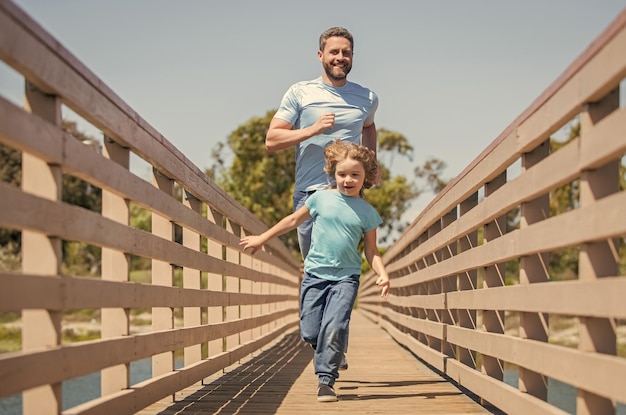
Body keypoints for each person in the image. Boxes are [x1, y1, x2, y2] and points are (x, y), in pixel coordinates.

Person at [240, 140, 390, 402]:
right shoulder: (320, 198)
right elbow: (292, 220)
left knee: (334, 325)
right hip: (314, 275)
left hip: (346, 277)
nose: (348, 180)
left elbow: (372, 251)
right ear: (333, 173)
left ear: (365, 177)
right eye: (342, 174)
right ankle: (334, 351)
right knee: (310, 331)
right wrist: (262, 238)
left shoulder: (367, 213)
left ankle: (326, 380)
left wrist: (382, 273)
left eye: (355, 174)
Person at [265, 26, 379, 371]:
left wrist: (372, 168)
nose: (340, 58)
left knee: (342, 271)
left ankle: (332, 348)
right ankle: (320, 338)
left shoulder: (367, 97)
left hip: (348, 197)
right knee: (315, 270)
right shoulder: (301, 92)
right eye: (334, 52)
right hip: (310, 194)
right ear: (321, 56)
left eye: (346, 52)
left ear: (352, 57)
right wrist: (313, 129)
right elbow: (272, 139)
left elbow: (370, 128)